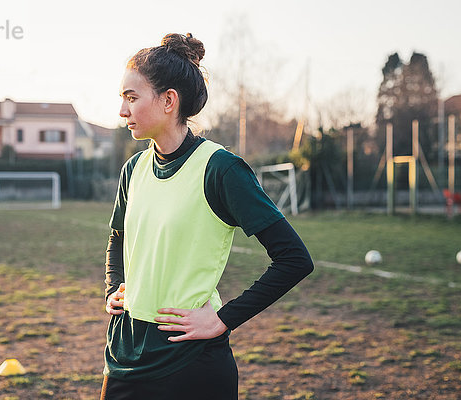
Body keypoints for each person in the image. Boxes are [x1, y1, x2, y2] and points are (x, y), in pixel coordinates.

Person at [101, 33, 314, 400]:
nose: (122, 111)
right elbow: (117, 237)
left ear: (169, 101)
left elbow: (294, 259)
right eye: (122, 98)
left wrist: (223, 318)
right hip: (124, 354)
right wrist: (113, 286)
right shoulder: (133, 169)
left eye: (132, 98)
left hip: (190, 362)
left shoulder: (220, 169)